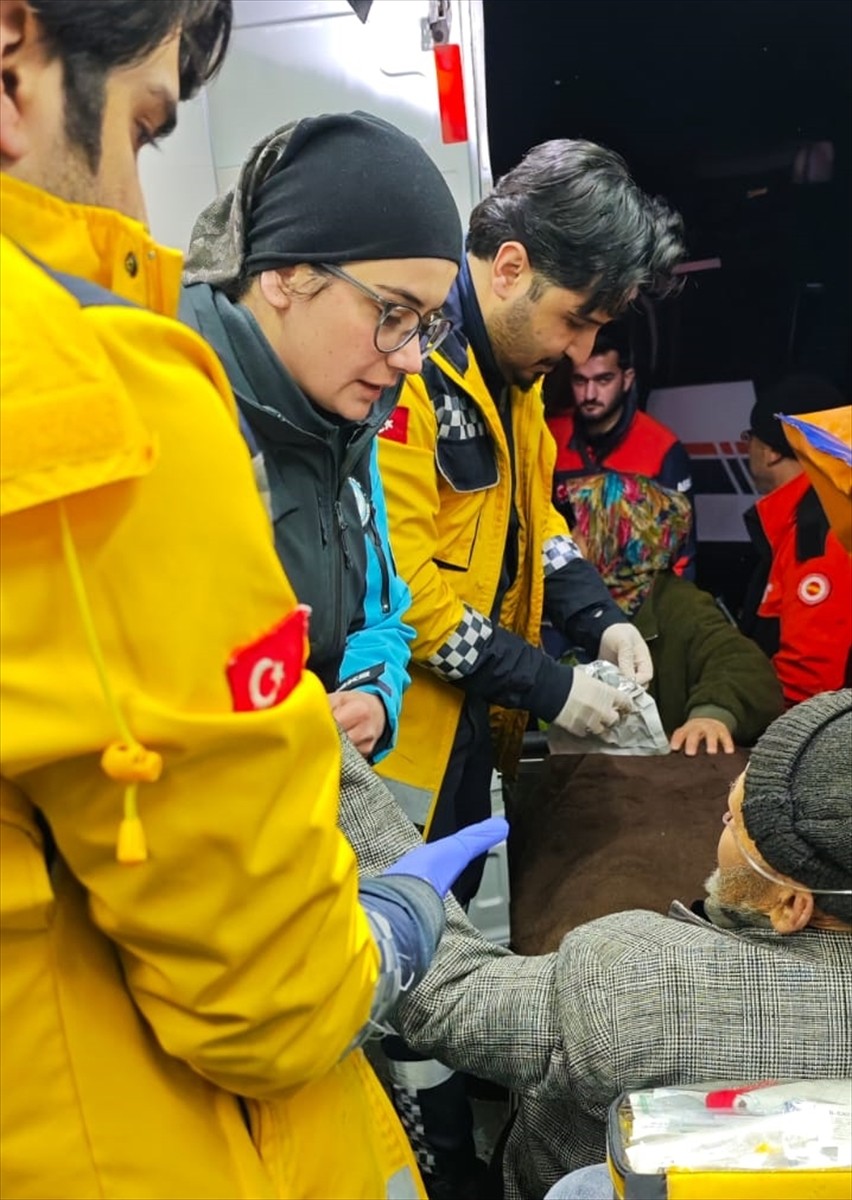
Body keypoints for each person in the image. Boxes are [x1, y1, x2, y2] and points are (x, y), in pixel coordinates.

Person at [0, 4, 502, 1197]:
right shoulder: (116, 404)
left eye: (429, 325)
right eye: (142, 126)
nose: (128, 203)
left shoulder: (346, 443)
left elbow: (378, 598)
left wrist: (364, 684)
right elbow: (268, 999)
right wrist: (391, 927)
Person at [371, 138, 684, 1194]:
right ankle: (434, 1164)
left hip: (472, 732)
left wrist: (597, 620)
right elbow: (404, 589)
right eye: (578, 317)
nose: (582, 343)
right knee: (406, 969)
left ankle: (455, 1128)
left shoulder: (517, 379)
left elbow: (534, 523)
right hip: (398, 754)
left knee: (455, 952)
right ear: (509, 267)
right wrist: (556, 689)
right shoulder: (415, 374)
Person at [361, 690, 851, 1200]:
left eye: (739, 822)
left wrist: (399, 887)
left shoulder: (638, 983)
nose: (724, 818)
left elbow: (445, 997)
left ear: (792, 906)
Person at [180, 112, 463, 761]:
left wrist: (373, 697)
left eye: (425, 322)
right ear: (284, 273)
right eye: (391, 312)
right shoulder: (173, 414)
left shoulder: (348, 422)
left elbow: (381, 615)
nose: (413, 359)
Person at [557, 482, 783, 753]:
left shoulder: (679, 605)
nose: (568, 539)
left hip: (642, 781)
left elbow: (744, 667)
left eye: (581, 530)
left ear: (618, 536)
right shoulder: (554, 598)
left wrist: (711, 716)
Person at [547, 322, 696, 577]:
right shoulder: (549, 437)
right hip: (564, 590)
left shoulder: (661, 447)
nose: (590, 394)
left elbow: (682, 553)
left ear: (627, 379)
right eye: (580, 381)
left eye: (603, 380)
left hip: (639, 598)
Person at [739, 374, 852, 705]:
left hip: (809, 741)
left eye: (749, 437)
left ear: (771, 451)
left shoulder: (821, 530)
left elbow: (809, 681)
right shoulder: (804, 520)